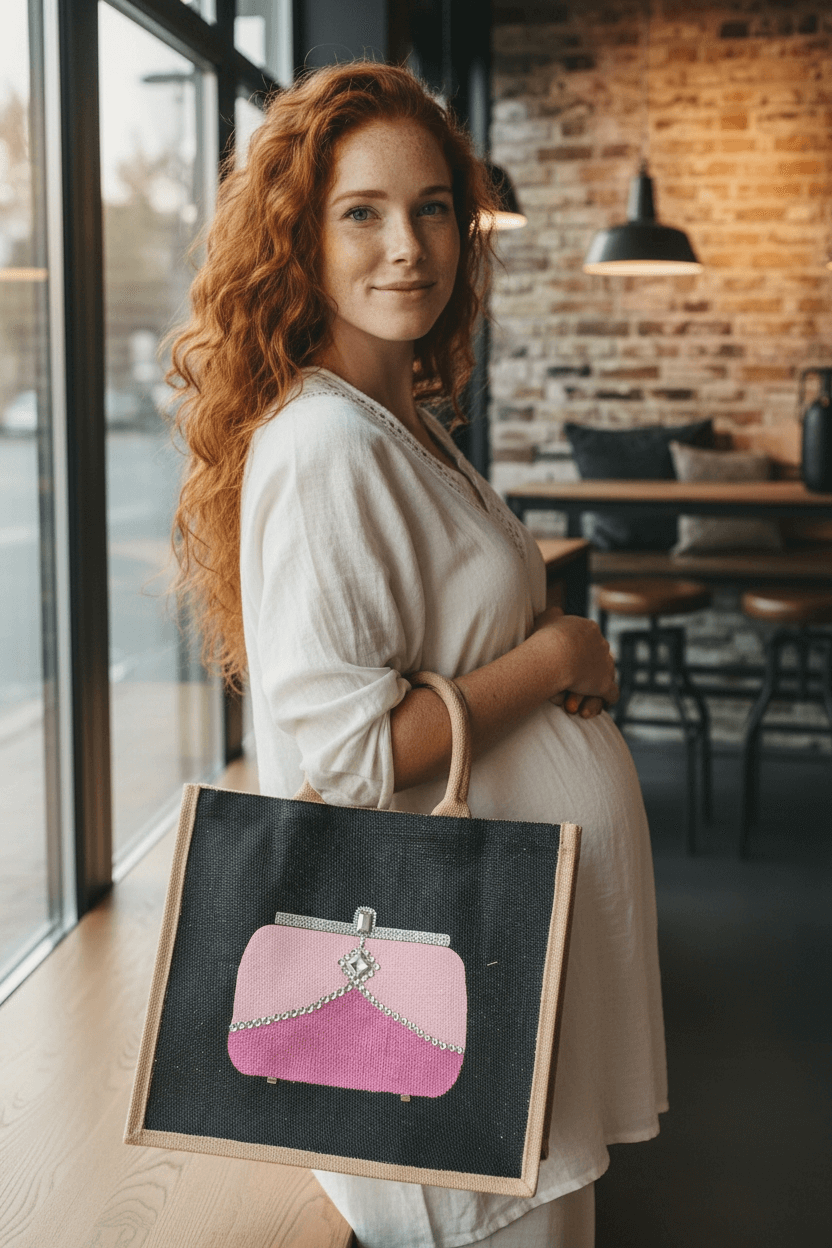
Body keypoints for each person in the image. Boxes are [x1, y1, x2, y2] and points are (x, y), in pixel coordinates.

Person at [169, 61, 666, 1248]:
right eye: (362, 212)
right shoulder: (323, 444)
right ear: (300, 237)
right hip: (444, 981)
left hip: (492, 974)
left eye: (433, 206)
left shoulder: (401, 418)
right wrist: (552, 660)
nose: (408, 246)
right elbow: (350, 761)